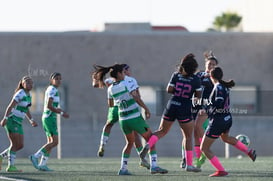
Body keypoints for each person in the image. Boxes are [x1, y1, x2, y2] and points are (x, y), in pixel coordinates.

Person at [94, 64, 167, 175]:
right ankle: (154, 166)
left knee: (129, 143)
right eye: (123, 72)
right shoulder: (126, 83)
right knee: (151, 138)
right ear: (119, 74)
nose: (124, 74)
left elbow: (111, 104)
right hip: (134, 117)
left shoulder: (110, 88)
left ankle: (123, 169)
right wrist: (146, 109)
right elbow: (136, 97)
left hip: (123, 119)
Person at [140, 53, 202, 172]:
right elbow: (198, 97)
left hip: (172, 104)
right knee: (188, 136)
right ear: (193, 68)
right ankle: (189, 164)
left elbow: (169, 90)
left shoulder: (176, 75)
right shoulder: (195, 79)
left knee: (162, 131)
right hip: (184, 107)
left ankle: (148, 145)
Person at [200, 66, 257, 177]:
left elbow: (218, 103)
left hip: (218, 120)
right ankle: (249, 151)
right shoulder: (223, 86)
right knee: (225, 138)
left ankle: (221, 170)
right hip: (226, 118)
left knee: (204, 148)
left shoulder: (218, 87)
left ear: (211, 77)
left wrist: (206, 107)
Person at [29, 72, 69, 171]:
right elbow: (49, 106)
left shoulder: (53, 90)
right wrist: (61, 113)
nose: (59, 80)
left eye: (60, 79)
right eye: (56, 79)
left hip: (49, 117)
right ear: (51, 80)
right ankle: (35, 156)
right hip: (49, 118)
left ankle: (42, 164)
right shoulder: (52, 89)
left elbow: (54, 106)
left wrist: (61, 112)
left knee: (50, 142)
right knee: (55, 142)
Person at [0, 76, 38, 172]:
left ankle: (1, 156)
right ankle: (11, 166)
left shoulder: (29, 95)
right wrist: (5, 118)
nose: (30, 84)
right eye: (27, 82)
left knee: (20, 145)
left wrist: (31, 120)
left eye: (31, 82)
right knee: (14, 144)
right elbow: (10, 106)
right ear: (23, 84)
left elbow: (26, 109)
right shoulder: (20, 93)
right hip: (12, 120)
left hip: (19, 122)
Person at [190, 51, 219, 169]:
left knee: (198, 127)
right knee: (195, 133)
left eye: (213, 64)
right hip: (195, 106)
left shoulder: (215, 78)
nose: (211, 66)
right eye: (209, 64)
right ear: (205, 64)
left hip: (206, 106)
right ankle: (199, 159)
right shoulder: (199, 74)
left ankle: (205, 149)